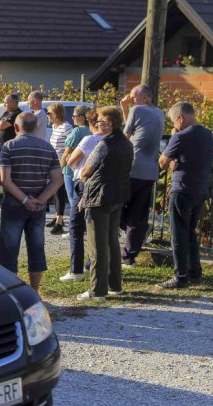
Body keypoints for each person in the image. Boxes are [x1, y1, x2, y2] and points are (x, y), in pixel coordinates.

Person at [0, 112, 63, 293]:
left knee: (9, 250)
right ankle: (35, 292)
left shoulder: (9, 146)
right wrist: (39, 200)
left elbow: (5, 180)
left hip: (13, 203)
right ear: (35, 127)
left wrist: (24, 200)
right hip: (38, 205)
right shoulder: (48, 148)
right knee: (36, 248)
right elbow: (57, 180)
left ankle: (12, 293)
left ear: (16, 128)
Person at [156, 101, 213, 289]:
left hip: (181, 188)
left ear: (181, 118)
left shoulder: (180, 136)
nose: (174, 125)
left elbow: (162, 162)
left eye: (174, 121)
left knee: (178, 233)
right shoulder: (207, 134)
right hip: (201, 187)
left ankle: (180, 276)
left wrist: (174, 138)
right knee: (190, 231)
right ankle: (194, 272)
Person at [77, 106, 134, 301]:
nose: (96, 124)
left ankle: (97, 290)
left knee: (97, 246)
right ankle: (114, 285)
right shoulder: (127, 143)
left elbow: (85, 171)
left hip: (99, 197)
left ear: (109, 124)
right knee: (111, 241)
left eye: (99, 121)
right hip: (118, 195)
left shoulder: (104, 144)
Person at [120, 85, 164, 267]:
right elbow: (136, 128)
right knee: (138, 214)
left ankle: (132, 231)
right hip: (151, 170)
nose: (131, 100)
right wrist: (125, 109)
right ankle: (129, 256)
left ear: (145, 97)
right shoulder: (160, 113)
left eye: (133, 97)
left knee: (116, 205)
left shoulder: (137, 109)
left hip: (133, 166)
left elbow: (126, 136)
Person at [61, 109, 104, 282]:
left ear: (90, 122)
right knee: (96, 228)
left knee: (76, 227)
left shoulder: (89, 140)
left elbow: (71, 161)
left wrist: (78, 169)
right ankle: (91, 264)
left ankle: (76, 270)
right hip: (103, 184)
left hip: (84, 183)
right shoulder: (113, 140)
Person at [46, 102, 73, 235]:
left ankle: (60, 221)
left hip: (62, 164)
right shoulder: (55, 126)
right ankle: (57, 217)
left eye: (49, 113)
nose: (48, 115)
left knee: (60, 192)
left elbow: (71, 145)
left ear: (56, 114)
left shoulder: (66, 127)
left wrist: (64, 161)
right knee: (56, 192)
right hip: (55, 163)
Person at [61, 105, 92, 216]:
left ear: (83, 117)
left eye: (74, 115)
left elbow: (67, 152)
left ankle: (75, 230)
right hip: (86, 169)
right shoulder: (92, 130)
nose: (72, 118)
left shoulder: (77, 131)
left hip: (71, 170)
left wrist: (60, 168)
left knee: (73, 199)